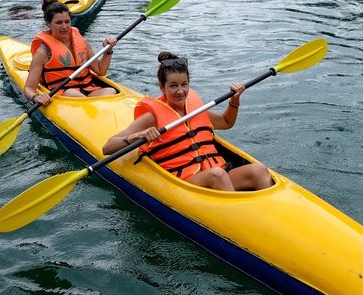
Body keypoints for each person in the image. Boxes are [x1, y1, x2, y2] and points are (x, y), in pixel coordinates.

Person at [102, 52, 273, 191]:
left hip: (217, 170)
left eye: (184, 84)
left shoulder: (195, 109)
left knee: (259, 170)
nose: (180, 91)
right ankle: (240, 221)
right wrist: (136, 136)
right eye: (173, 86)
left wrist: (234, 100)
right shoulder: (152, 117)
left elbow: (226, 122)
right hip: (185, 180)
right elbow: (108, 147)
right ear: (162, 88)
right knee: (217, 175)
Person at [23, 0, 117, 105]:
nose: (64, 27)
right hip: (65, 94)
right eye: (59, 23)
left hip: (87, 90)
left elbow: (101, 70)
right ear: (48, 23)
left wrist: (108, 50)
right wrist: (36, 97)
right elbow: (29, 88)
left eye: (67, 22)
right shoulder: (43, 52)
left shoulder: (82, 42)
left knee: (110, 91)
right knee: (74, 93)